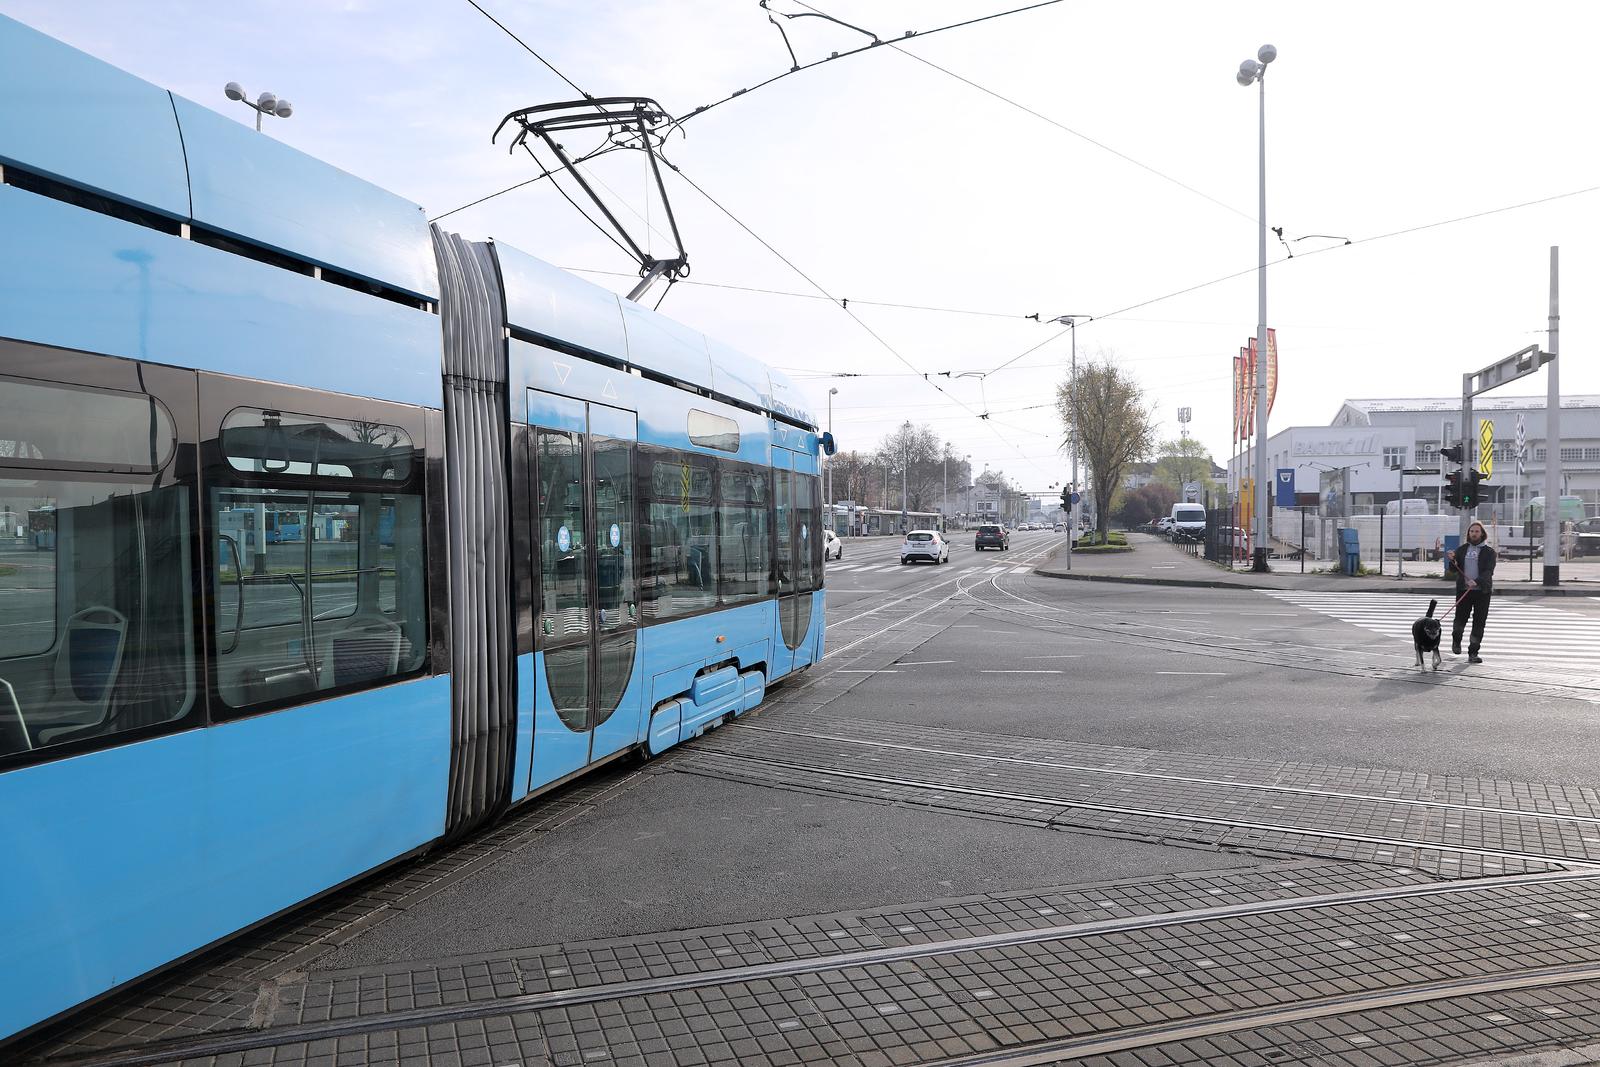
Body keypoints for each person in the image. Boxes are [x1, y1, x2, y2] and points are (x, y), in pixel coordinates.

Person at [1445, 521, 1496, 664]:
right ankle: (1456, 640)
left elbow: (1489, 571)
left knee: (1479, 623)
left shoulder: (1489, 552)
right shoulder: (1461, 550)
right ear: (1469, 533)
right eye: (1472, 531)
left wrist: (1477, 581)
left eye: (1477, 531)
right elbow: (1454, 569)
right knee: (1459, 621)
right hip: (1464, 591)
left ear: (1482, 534)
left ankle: (1473, 652)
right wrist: (1452, 560)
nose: (1474, 533)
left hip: (1482, 592)